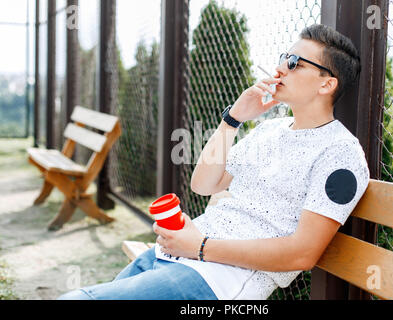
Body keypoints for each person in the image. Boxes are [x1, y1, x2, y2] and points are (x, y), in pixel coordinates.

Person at [58, 23, 369, 300]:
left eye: (294, 63)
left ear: (326, 84)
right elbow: (204, 184)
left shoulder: (339, 153)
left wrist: (200, 247)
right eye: (282, 58)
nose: (280, 69)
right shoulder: (269, 130)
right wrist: (232, 120)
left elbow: (302, 255)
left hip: (218, 279)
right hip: (176, 254)